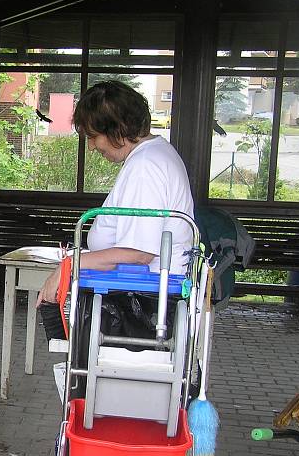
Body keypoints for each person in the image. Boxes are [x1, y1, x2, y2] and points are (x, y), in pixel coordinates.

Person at [37, 80, 195, 306]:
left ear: (117, 129)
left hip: (144, 300)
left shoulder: (144, 166)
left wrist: (71, 264)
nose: (91, 146)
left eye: (93, 136)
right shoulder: (154, 154)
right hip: (144, 295)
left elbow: (138, 254)